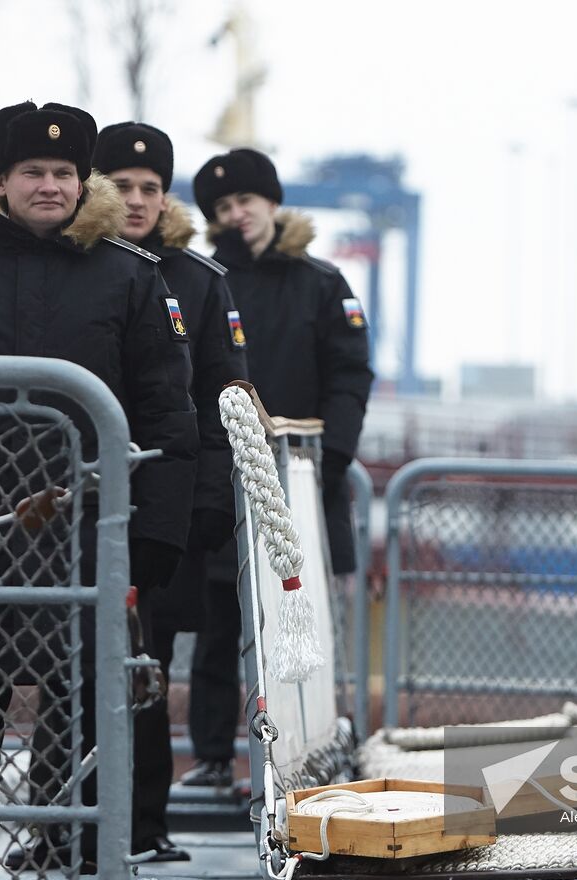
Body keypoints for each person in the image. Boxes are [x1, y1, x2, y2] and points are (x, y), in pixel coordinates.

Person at [0, 100, 198, 874]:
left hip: (94, 527)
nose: (49, 185)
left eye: (63, 172)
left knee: (85, 698)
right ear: (0, 181)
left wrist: (159, 534)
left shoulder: (134, 277)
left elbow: (168, 410)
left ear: (83, 181)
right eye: (33, 172)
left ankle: (77, 858)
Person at [179, 148, 374, 788]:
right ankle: (212, 756)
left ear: (272, 203)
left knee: (301, 624)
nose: (238, 215)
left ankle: (304, 754)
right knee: (215, 625)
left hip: (300, 482)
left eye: (247, 202)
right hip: (221, 476)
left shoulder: (322, 285)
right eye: (225, 207)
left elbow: (350, 377)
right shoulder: (204, 282)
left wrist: (330, 462)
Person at [90, 120, 249, 857]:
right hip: (84, 502)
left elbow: (224, 399)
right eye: (121, 185)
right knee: (76, 668)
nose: (136, 199)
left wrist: (211, 500)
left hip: (165, 506)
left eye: (150, 188)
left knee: (147, 663)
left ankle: (146, 825)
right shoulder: (77, 265)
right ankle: (76, 823)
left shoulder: (198, 282)